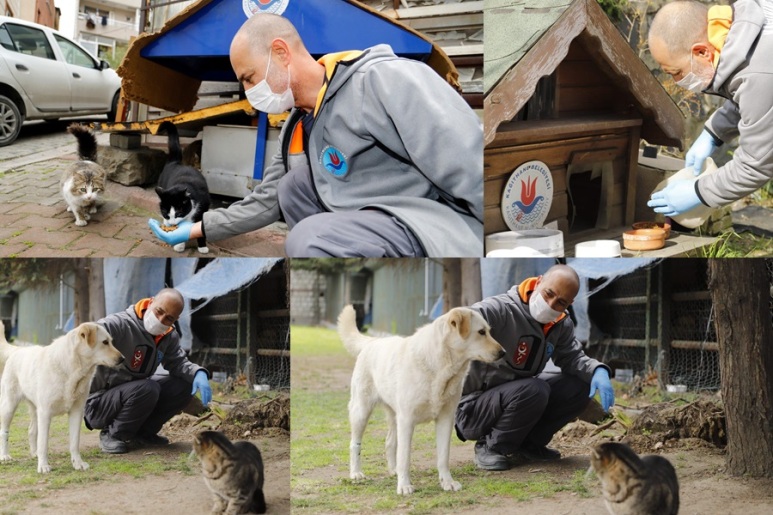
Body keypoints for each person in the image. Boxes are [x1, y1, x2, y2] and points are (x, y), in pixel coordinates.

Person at [148, 13, 483, 257]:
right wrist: (195, 229)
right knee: (293, 187)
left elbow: (470, 162)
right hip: (373, 218)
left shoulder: (383, 80)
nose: (249, 91)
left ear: (281, 53)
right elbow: (267, 201)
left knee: (308, 239)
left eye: (249, 78)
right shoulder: (297, 123)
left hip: (432, 223)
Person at [454, 265, 614, 471]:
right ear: (538, 282)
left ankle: (530, 444)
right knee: (534, 389)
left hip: (517, 396)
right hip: (474, 407)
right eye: (549, 293)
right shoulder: (502, 309)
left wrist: (597, 371)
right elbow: (467, 318)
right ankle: (491, 446)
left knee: (580, 385)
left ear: (569, 303)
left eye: (561, 302)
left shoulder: (560, 324)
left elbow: (573, 358)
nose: (551, 304)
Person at [647, 0, 773, 217]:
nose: (678, 81)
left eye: (676, 72)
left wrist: (698, 192)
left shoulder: (759, 71)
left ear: (702, 52)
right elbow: (754, 98)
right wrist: (713, 132)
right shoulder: (742, 30)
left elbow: (756, 166)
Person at [85, 288, 212, 454]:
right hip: (99, 402)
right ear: (151, 302)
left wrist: (198, 373)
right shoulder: (120, 324)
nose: (161, 319)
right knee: (147, 388)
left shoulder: (168, 336)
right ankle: (114, 434)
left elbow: (179, 363)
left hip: (133, 394)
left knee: (184, 385)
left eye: (169, 318)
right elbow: (90, 332)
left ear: (176, 319)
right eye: (159, 311)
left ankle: (145, 433)